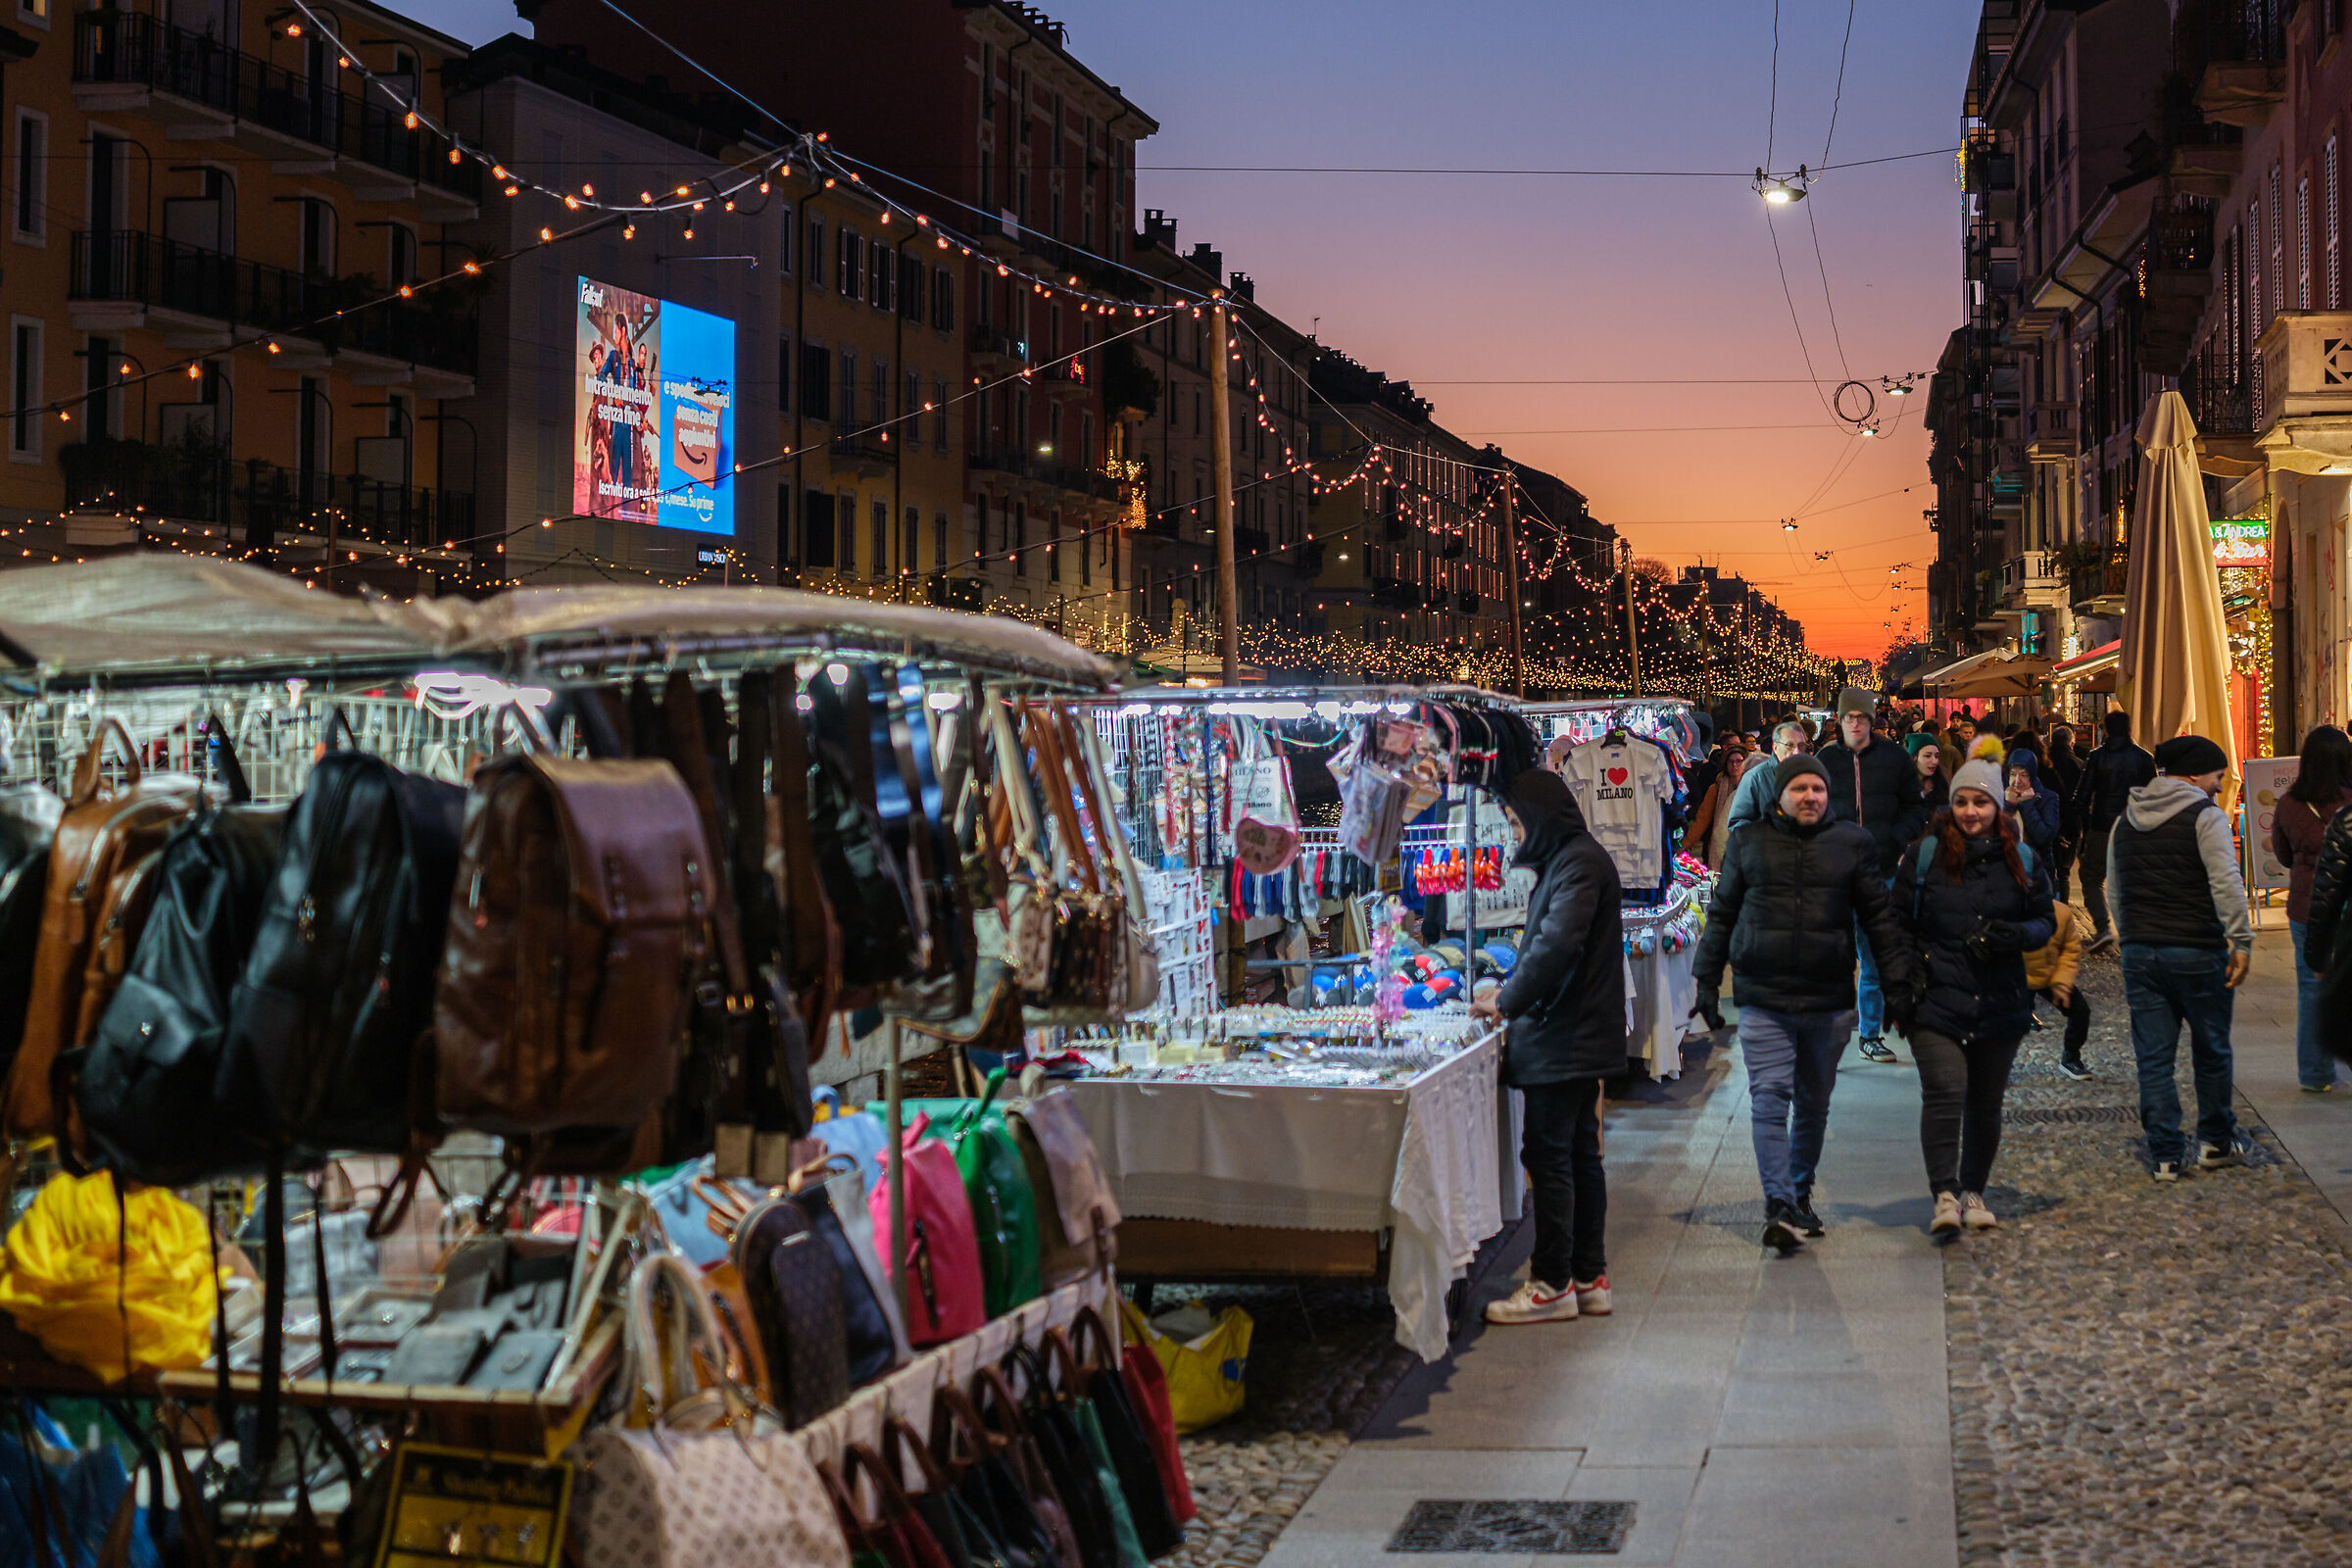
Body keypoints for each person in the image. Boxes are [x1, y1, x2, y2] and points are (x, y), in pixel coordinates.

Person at [1690, 756, 1921, 1252]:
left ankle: (1799, 1191)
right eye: (1799, 788)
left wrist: (1898, 986)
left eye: (1818, 787)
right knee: (1770, 1097)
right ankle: (1778, 1203)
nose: (1810, 796)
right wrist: (1706, 981)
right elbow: (1723, 914)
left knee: (1813, 1103)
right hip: (1763, 996)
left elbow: (1879, 920)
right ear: (1779, 794)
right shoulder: (1749, 842)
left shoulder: (1851, 844)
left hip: (1827, 999)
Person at [1474, 770, 1625, 1324]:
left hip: (1565, 1035)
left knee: (1551, 1156)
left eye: (1518, 823)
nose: (1515, 835)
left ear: (1541, 818)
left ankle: (1552, 1284)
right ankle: (1588, 1278)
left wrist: (1507, 1000)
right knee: (1580, 1155)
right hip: (1576, 1033)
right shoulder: (1574, 860)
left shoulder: (1577, 864)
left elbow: (1557, 944)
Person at [1893, 759, 2057, 1234]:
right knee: (1945, 1092)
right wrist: (1900, 986)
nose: (1970, 811)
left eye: (1981, 802)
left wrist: (2016, 934)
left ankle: (1973, 1191)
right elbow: (1897, 922)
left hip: (1999, 998)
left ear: (1997, 805)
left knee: (1985, 1103)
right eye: (1962, 801)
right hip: (1935, 998)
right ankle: (1944, 1195)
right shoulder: (1925, 855)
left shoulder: (2022, 858)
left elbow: (2045, 920)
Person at [2108, 734, 2253, 1183]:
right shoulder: (2205, 816)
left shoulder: (2125, 820)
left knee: (2154, 1059)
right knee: (2211, 1049)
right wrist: (2240, 939)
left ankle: (2166, 1155)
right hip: (2197, 951)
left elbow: (2114, 890)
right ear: (2194, 774)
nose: (2220, 785)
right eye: (2217, 776)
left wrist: (2132, 936)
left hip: (2141, 953)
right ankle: (2215, 1141)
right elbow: (2225, 881)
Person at [1816, 688, 1917, 1064]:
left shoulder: (1894, 758)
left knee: (1873, 958)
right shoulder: (1825, 760)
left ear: (1872, 721)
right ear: (1840, 720)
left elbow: (1913, 806)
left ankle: (1870, 1035)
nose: (1855, 724)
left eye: (1861, 717)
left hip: (1880, 874)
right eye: (1849, 717)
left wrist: (1894, 839)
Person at [2273, 726, 2352, 1093]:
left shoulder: (2289, 803)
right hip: (2347, 908)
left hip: (2306, 905)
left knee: (2309, 989)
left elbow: (2283, 855)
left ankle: (2314, 1074)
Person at [2073, 710, 2157, 953]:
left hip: (2101, 826)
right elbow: (2153, 796)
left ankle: (2103, 927)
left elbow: (2082, 795)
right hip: (2134, 826)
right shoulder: (2144, 758)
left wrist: (2081, 824)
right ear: (2130, 730)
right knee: (2132, 879)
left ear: (2105, 731)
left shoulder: (2097, 757)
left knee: (2092, 877)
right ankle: (2137, 929)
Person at [2027, 897, 2092, 1080]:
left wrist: (2062, 981)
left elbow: (2070, 949)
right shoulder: (2007, 906)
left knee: (2080, 1011)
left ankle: (2071, 1057)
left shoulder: (2061, 913)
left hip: (2048, 972)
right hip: (2014, 974)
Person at [1726, 718, 1810, 831]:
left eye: (1801, 746)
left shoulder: (1811, 777)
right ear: (1775, 747)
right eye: (1789, 745)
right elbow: (1737, 824)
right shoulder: (1755, 778)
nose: (1796, 751)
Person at [1682, 747, 1747, 869]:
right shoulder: (1717, 788)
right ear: (1726, 764)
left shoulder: (1752, 787)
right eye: (1731, 761)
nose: (1735, 765)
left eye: (1739, 761)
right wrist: (1682, 846)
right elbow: (1702, 820)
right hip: (1718, 846)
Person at [2045, 724, 2085, 901]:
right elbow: (2084, 796)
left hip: (2045, 819)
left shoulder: (2043, 763)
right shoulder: (2079, 764)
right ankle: (2063, 907)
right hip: (2070, 821)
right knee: (2063, 871)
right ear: (2072, 743)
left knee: (2047, 867)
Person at [2006, 748, 2060, 854]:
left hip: (2036, 862)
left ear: (2032, 775)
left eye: (2023, 775)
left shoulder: (2047, 798)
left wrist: (2027, 804)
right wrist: (2009, 805)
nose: (2017, 780)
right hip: (2009, 861)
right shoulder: (2003, 796)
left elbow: (2044, 838)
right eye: (2013, 774)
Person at [1899, 739, 1950, 843]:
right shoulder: (1901, 788)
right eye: (1927, 756)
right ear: (1914, 757)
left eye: (1936, 756)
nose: (1934, 761)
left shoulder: (1942, 786)